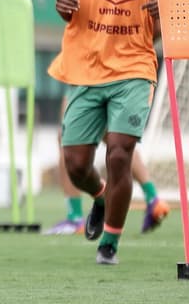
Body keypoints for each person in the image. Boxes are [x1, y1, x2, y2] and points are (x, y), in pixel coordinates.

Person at [47, 0, 160, 265]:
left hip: (134, 68)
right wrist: (62, 7)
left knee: (118, 153)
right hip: (86, 67)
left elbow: (164, 29)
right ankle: (98, 197)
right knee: (76, 164)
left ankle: (110, 241)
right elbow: (69, 5)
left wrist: (162, 14)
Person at [45, 99, 170, 235]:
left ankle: (75, 218)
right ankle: (153, 198)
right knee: (116, 138)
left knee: (67, 134)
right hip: (121, 86)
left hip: (94, 82)